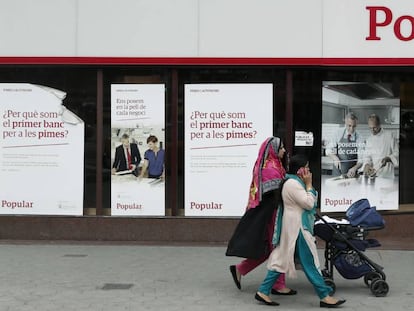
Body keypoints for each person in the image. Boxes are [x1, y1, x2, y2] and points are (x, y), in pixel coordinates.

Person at [255, 154, 346, 308]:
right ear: (300, 170)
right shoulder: (293, 184)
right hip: (298, 228)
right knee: (309, 261)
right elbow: (309, 204)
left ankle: (263, 291)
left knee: (282, 259)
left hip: (292, 226)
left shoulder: (294, 182)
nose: (309, 171)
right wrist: (309, 185)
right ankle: (324, 295)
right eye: (307, 168)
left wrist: (307, 186)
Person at [226, 137, 296, 295]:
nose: (284, 151)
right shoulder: (269, 168)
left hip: (272, 214)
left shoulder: (274, 164)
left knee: (272, 249)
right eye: (282, 148)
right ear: (273, 149)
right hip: (271, 216)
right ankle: (278, 284)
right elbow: (277, 192)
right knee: (278, 248)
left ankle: (241, 269)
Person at [325, 112, 363, 177]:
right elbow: (328, 150)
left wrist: (354, 168)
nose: (351, 129)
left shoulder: (359, 138)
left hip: (351, 174)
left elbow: (361, 159)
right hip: (337, 172)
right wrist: (335, 158)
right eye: (349, 126)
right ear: (345, 123)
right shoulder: (338, 133)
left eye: (354, 126)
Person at [362, 114, 399, 178]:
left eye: (374, 127)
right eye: (370, 128)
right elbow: (367, 157)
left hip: (388, 176)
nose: (372, 130)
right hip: (374, 175)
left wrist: (389, 158)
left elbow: (397, 153)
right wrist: (367, 165)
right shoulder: (369, 140)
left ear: (379, 125)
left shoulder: (389, 136)